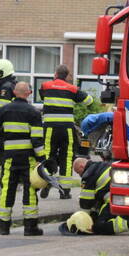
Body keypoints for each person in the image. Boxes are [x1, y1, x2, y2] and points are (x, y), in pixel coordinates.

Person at [0, 81, 45, 236]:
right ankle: (30, 227)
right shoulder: (33, 112)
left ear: (14, 93)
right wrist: (42, 158)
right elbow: (37, 139)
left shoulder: (4, 110)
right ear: (28, 93)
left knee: (7, 189)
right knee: (30, 189)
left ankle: (4, 226)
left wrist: (5, 135)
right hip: (28, 158)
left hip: (9, 157)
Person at [38, 65, 94, 198]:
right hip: (66, 129)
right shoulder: (72, 89)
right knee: (67, 157)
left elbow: (42, 97)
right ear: (67, 76)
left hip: (50, 128)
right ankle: (65, 191)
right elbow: (89, 101)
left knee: (48, 155)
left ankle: (46, 184)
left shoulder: (45, 86)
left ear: (56, 74)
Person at [60, 157, 128, 235]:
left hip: (115, 202)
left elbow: (85, 203)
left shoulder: (88, 174)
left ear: (82, 166)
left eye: (79, 172)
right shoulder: (103, 165)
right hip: (127, 200)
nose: (80, 175)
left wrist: (82, 221)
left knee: (99, 226)